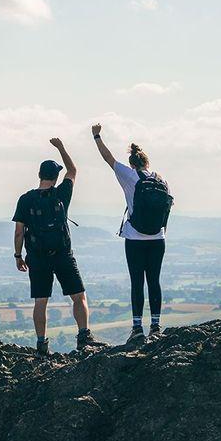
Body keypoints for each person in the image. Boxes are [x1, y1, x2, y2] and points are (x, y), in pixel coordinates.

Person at [12, 138, 101, 355]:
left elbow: (19, 231)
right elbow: (73, 169)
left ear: (39, 176)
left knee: (40, 301)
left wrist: (18, 255)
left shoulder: (26, 199)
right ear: (56, 177)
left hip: (37, 257)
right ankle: (83, 337)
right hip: (62, 254)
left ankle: (42, 344)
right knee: (78, 296)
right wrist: (61, 148)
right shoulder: (62, 194)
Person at [91, 124, 173, 344]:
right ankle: (156, 326)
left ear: (132, 163)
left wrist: (97, 136)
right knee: (154, 281)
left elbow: (108, 159)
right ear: (147, 162)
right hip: (158, 238)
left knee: (137, 282)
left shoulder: (129, 176)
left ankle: (137, 328)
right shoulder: (160, 179)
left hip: (135, 237)